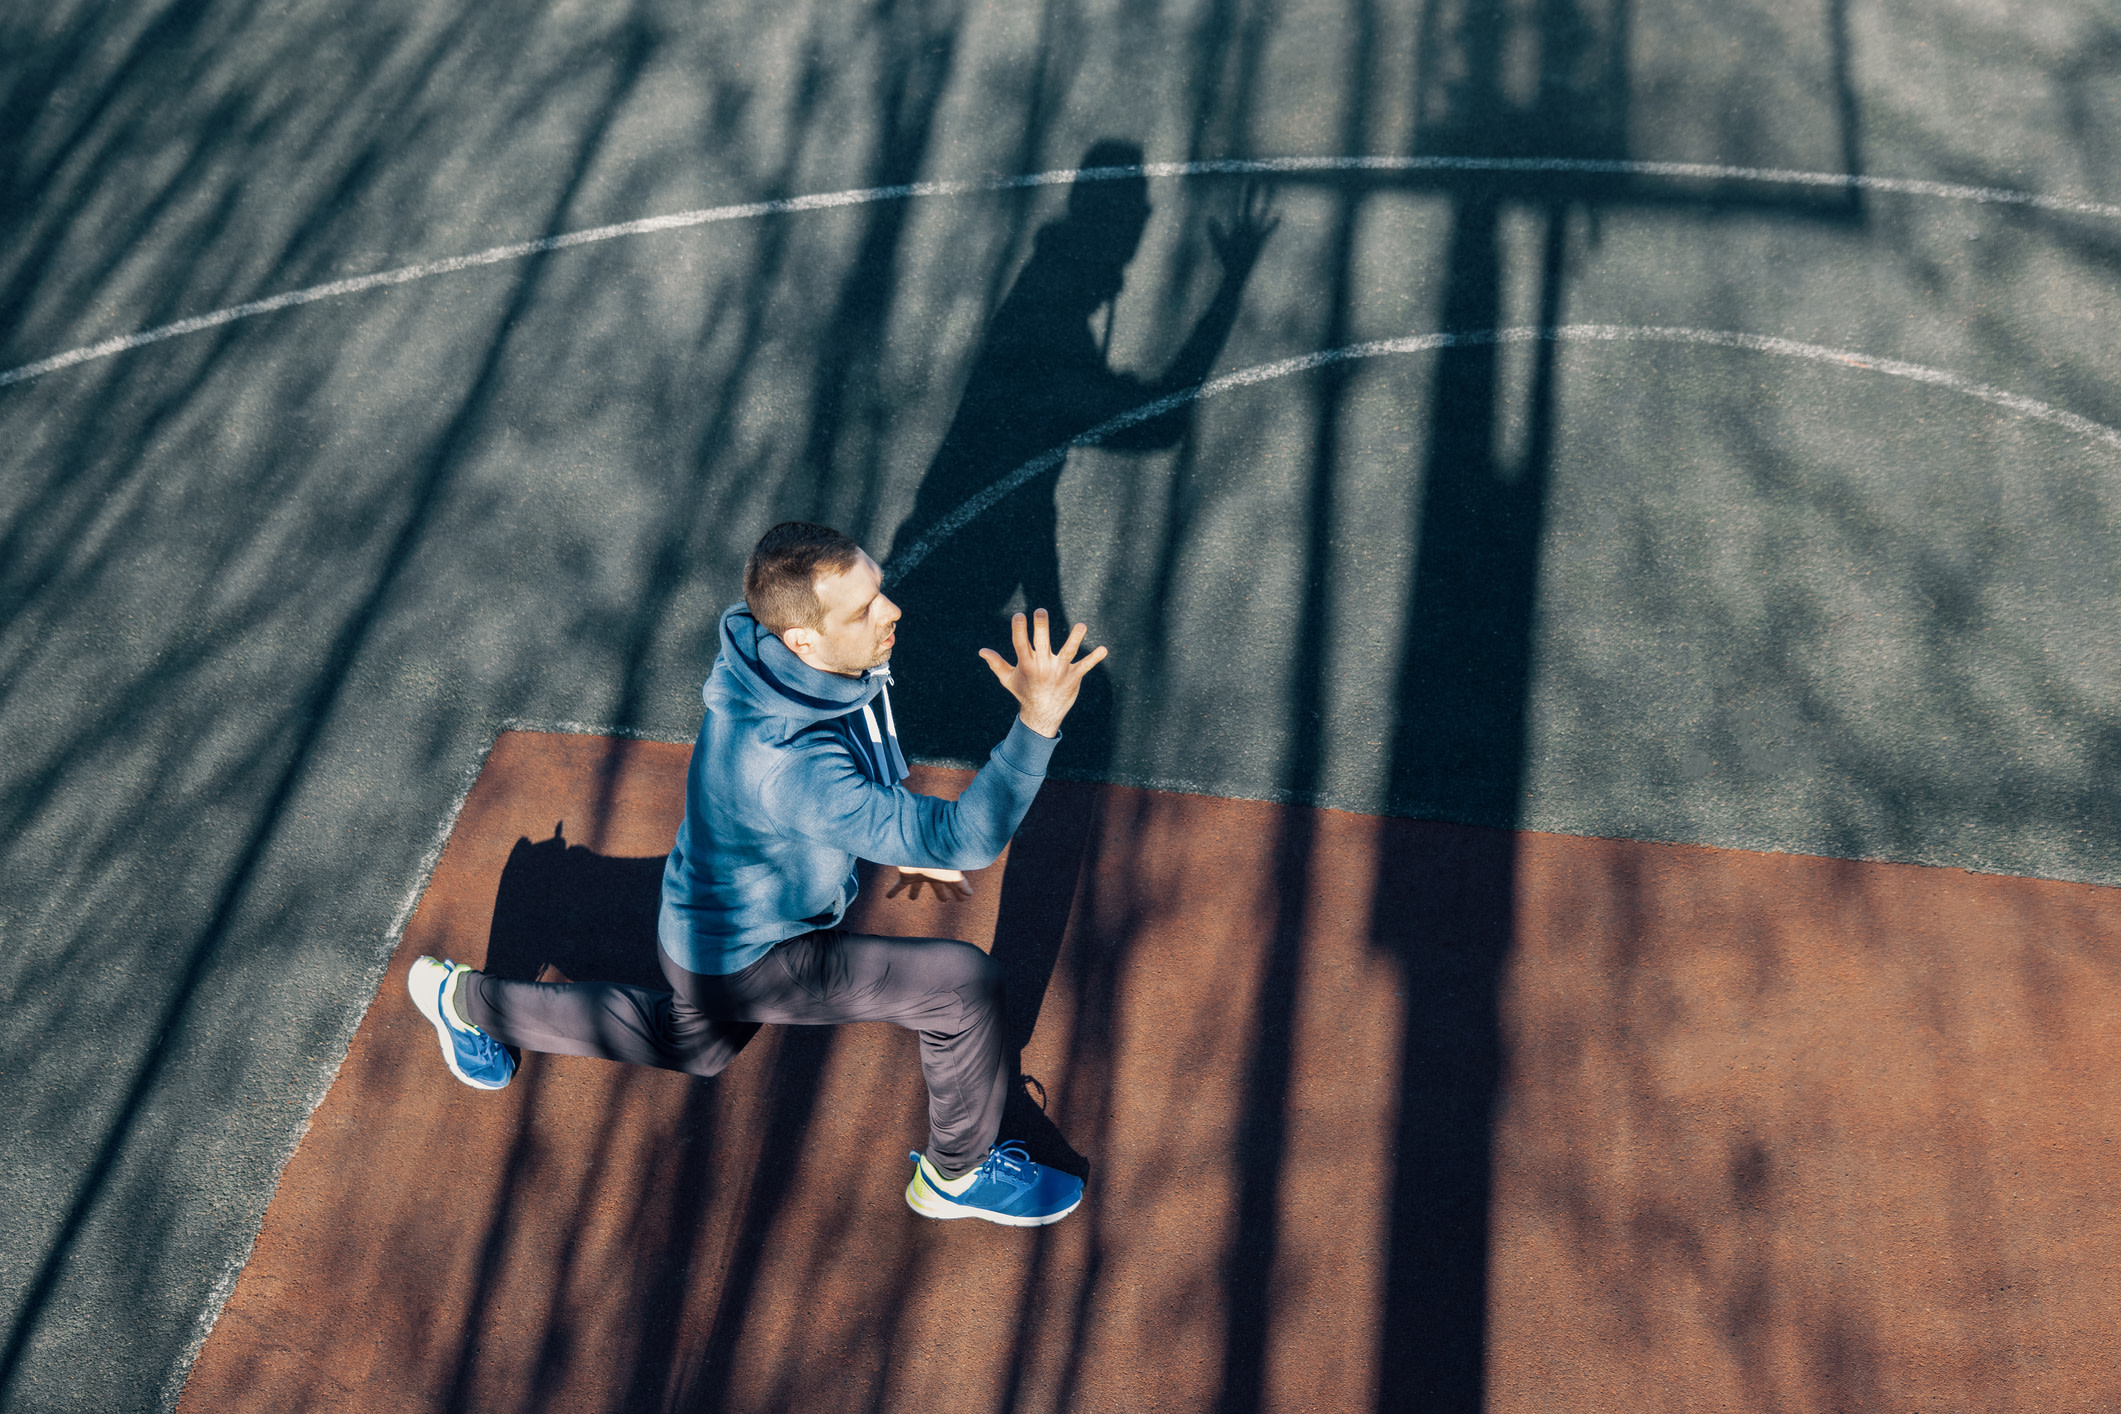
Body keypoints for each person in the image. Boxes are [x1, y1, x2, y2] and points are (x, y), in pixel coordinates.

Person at [405, 521, 1107, 1227]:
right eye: (863, 610)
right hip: (749, 955)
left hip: (702, 921)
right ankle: (956, 1174)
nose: (891, 612)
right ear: (803, 639)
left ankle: (464, 1003)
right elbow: (965, 838)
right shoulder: (794, 768)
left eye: (880, 593)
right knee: (959, 988)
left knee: (696, 1044)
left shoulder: (765, 648)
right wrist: (1037, 724)